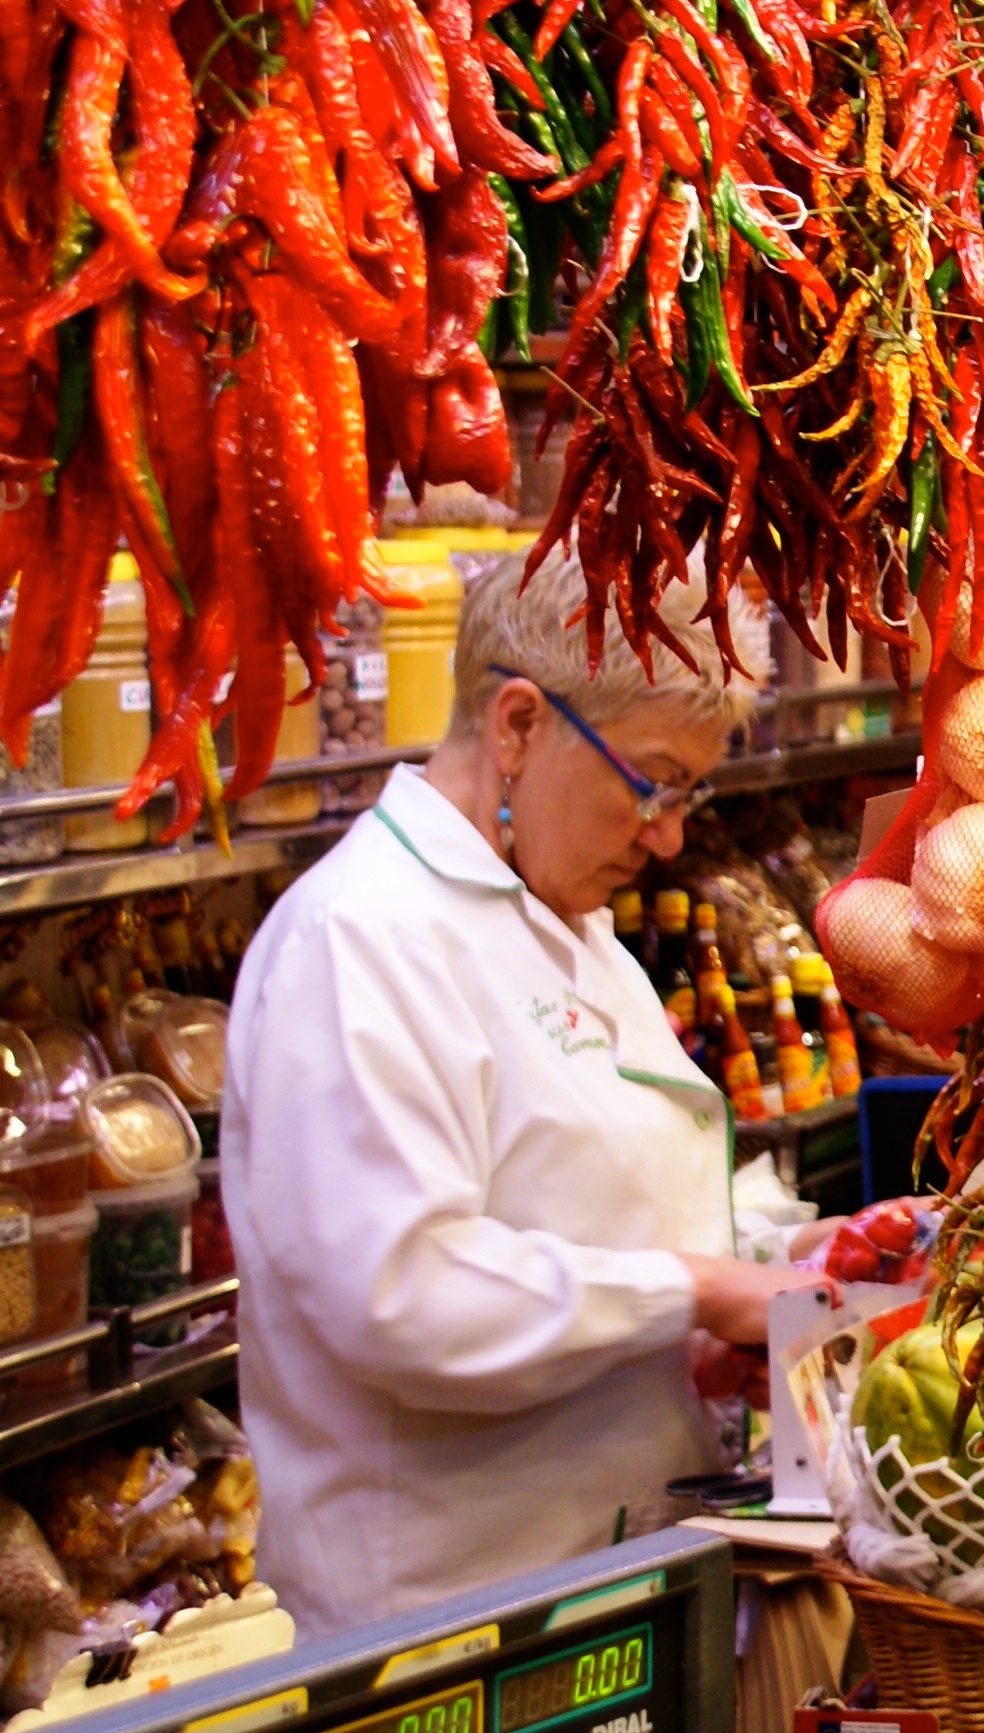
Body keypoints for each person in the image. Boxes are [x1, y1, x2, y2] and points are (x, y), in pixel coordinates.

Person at [225, 551, 819, 1636]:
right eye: (651, 780)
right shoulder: (361, 939)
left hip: (598, 1595)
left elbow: (584, 1201)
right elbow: (403, 1293)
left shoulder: (562, 919)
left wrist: (766, 1280)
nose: (669, 833)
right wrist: (688, 1291)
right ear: (517, 726)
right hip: (439, 1635)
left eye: (688, 792)